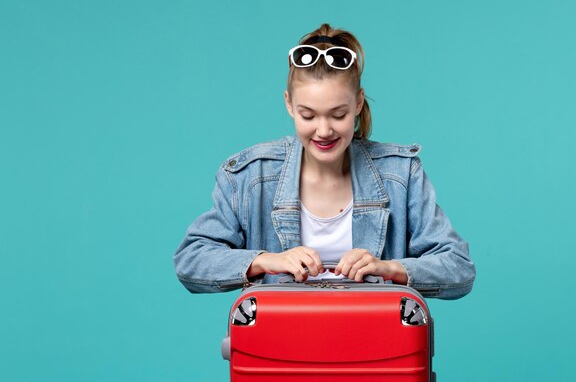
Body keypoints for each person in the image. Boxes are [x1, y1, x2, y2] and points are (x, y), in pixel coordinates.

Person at [173, 23, 475, 300]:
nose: (324, 130)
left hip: (376, 350)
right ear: (289, 104)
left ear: (358, 103)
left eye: (338, 114)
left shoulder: (401, 174)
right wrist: (266, 260)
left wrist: (390, 269)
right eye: (308, 115)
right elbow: (192, 259)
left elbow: (458, 268)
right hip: (283, 351)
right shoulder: (251, 176)